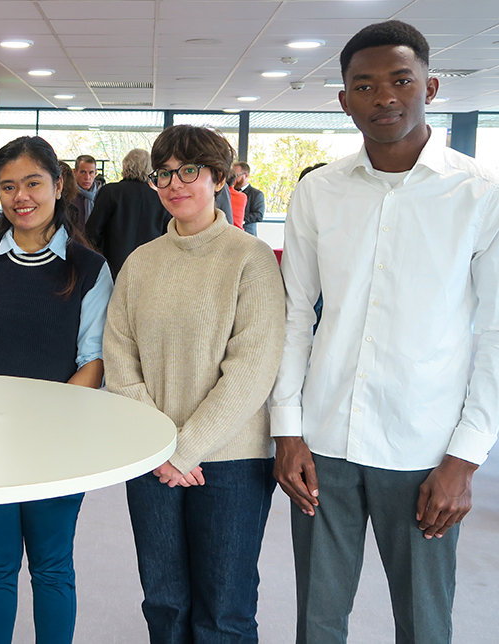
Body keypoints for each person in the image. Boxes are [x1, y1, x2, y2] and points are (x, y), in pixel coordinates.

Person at [271, 20, 499, 643]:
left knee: (425, 622)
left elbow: (496, 333)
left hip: (424, 448)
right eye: (364, 85)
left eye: (400, 80)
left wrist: (466, 458)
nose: (385, 97)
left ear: (430, 84)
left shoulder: (480, 193)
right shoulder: (318, 192)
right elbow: (295, 315)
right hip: (325, 441)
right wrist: (287, 430)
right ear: (344, 100)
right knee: (318, 620)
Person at [103, 124, 285, 643]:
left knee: (224, 609)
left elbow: (252, 369)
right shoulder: (140, 262)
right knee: (164, 602)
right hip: (151, 460)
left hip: (231, 461)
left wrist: (184, 450)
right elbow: (120, 358)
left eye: (189, 171)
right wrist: (161, 450)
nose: (174, 183)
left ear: (219, 178)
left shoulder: (250, 258)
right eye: (164, 173)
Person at [0, 136, 112, 644]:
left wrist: (39, 427)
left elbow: (94, 361)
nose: (22, 197)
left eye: (33, 183)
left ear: (58, 186)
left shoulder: (90, 269)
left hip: (59, 446)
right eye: (8, 186)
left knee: (52, 567)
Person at [85, 148, 171, 278]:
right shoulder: (160, 200)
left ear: (125, 166)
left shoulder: (109, 192)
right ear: (150, 169)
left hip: (112, 270)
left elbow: (91, 233)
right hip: (149, 271)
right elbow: (167, 238)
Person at [232, 162, 265, 236]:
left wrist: (238, 217)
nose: (234, 179)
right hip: (231, 234)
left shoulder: (257, 194)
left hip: (248, 234)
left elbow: (258, 215)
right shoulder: (228, 192)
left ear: (246, 175)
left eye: (236, 176)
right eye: (232, 176)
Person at [70, 154, 99, 226]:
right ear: (74, 172)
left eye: (91, 172)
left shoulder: (103, 194)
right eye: (83, 172)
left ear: (95, 173)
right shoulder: (68, 195)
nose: (87, 177)